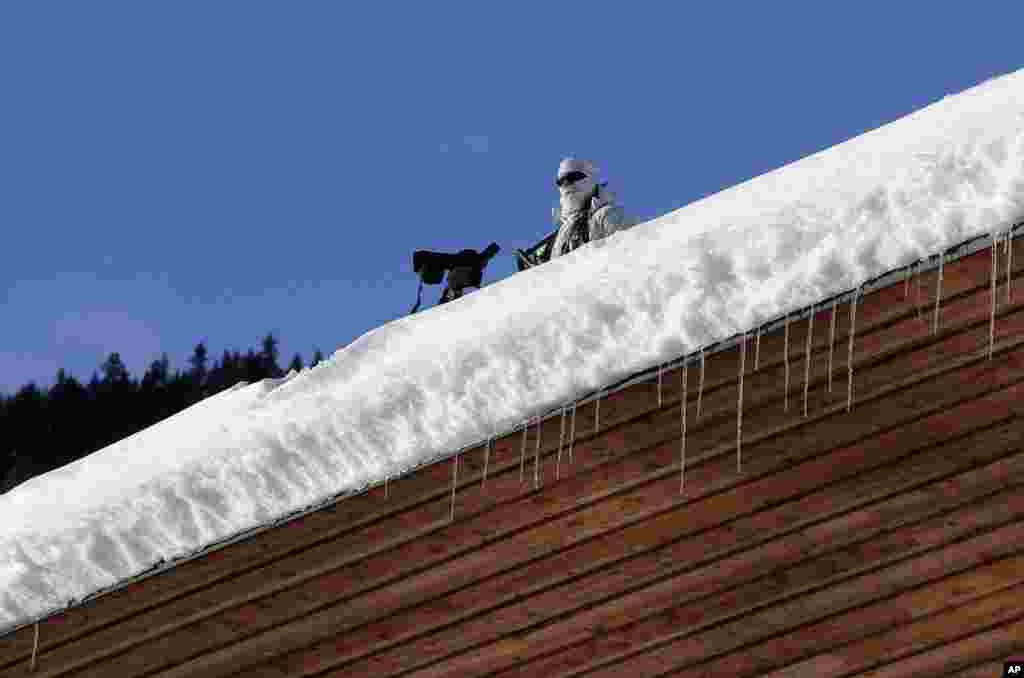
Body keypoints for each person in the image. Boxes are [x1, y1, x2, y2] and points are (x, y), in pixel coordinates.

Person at [550, 158, 632, 259]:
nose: (566, 185)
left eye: (572, 178)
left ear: (590, 179)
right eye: (560, 182)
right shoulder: (564, 230)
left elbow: (631, 253)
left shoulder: (610, 214)